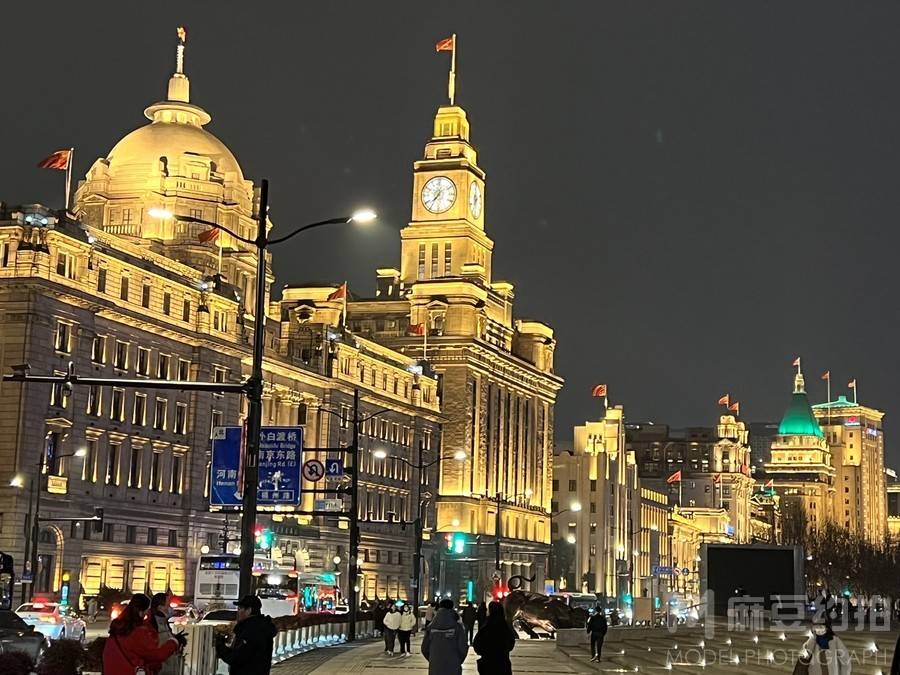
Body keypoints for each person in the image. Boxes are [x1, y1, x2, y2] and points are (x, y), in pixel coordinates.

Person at [102, 593, 184, 675]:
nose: (147, 613)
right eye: (146, 610)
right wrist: (174, 642)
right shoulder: (138, 632)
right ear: (140, 612)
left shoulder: (116, 630)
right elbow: (156, 655)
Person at [215, 595, 277, 675]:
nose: (238, 612)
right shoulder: (261, 627)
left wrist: (220, 646)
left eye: (240, 608)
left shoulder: (251, 631)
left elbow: (236, 658)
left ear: (249, 610)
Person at [422, 598, 468, 675]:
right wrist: (458, 661)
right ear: (452, 608)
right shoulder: (457, 627)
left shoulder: (431, 627)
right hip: (453, 666)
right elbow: (463, 647)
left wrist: (433, 659)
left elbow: (424, 648)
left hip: (435, 667)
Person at [472, 600, 516, 675]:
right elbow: (511, 642)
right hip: (502, 663)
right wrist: (503, 650)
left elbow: (477, 643)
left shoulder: (487, 626)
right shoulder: (504, 626)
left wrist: (484, 652)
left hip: (488, 663)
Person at [147, 593, 183, 675]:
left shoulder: (164, 624)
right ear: (160, 607)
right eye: (168, 605)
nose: (170, 608)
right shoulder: (152, 625)